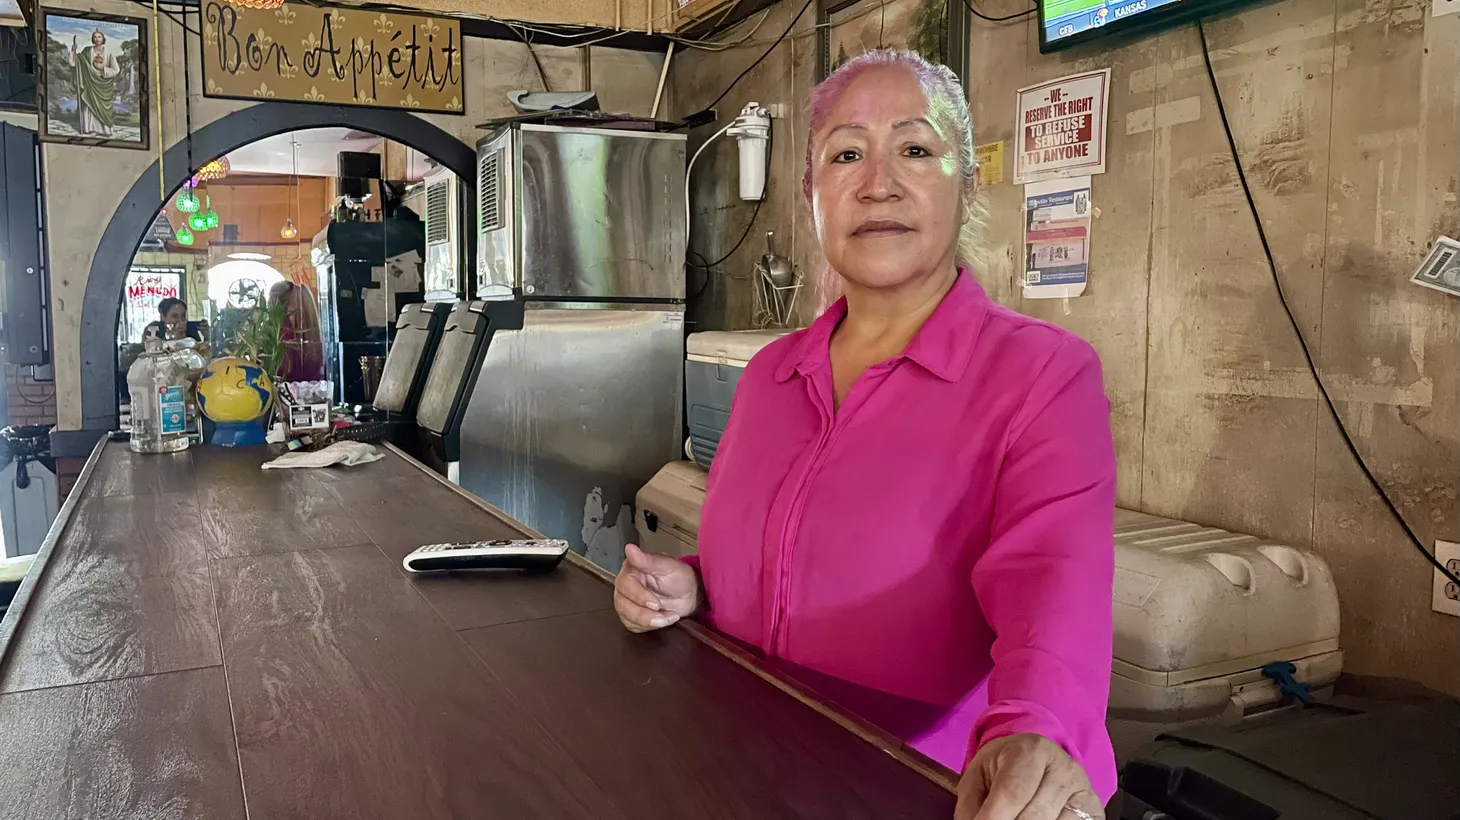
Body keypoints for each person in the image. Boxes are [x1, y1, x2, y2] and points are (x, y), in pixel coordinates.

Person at [614, 50, 1116, 820]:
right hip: (732, 765)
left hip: (914, 787)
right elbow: (782, 551)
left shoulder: (1042, 375)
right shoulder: (771, 374)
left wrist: (1035, 729)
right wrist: (696, 585)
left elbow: (1054, 592)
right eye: (846, 154)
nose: (878, 181)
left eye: (916, 150)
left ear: (967, 184)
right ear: (812, 192)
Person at [267, 281, 325, 382]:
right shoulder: (312, 330)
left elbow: (281, 370)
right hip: (311, 392)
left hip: (286, 394)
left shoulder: (280, 329)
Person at [68, 29, 121, 138]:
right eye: (95, 37)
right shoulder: (87, 51)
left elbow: (116, 70)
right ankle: (89, 129)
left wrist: (103, 71)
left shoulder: (109, 53)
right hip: (89, 83)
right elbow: (75, 63)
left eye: (99, 37)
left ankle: (105, 131)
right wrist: (73, 52)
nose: (97, 39)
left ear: (103, 39)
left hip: (103, 85)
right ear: (93, 39)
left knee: (104, 109)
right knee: (88, 105)